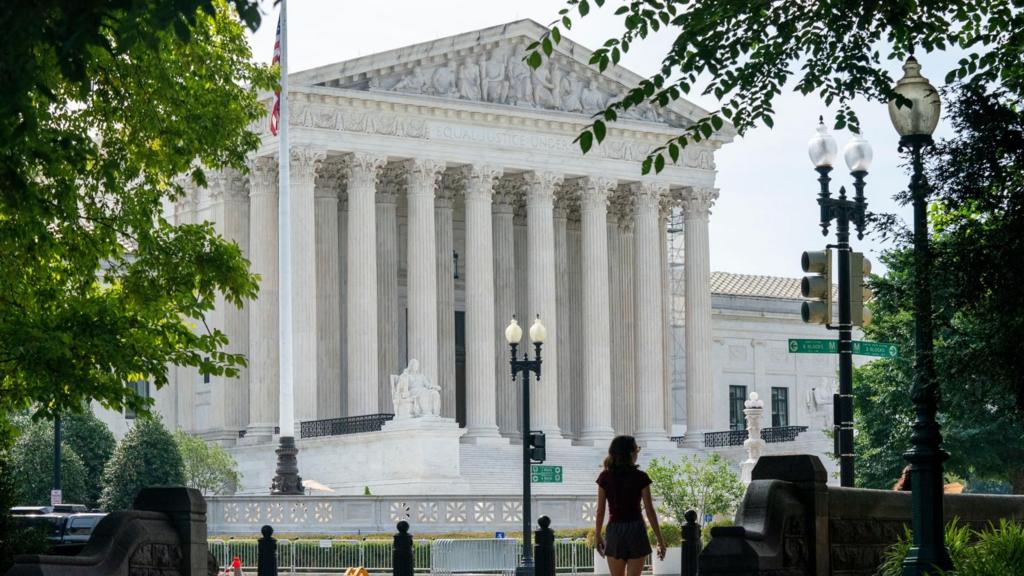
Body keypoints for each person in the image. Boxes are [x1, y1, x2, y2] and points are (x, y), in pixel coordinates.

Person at [594, 436, 666, 576]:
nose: (637, 453)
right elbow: (650, 511)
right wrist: (660, 539)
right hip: (636, 530)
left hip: (615, 531)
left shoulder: (605, 477)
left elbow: (600, 510)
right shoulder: (641, 477)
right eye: (636, 449)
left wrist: (598, 535)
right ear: (631, 453)